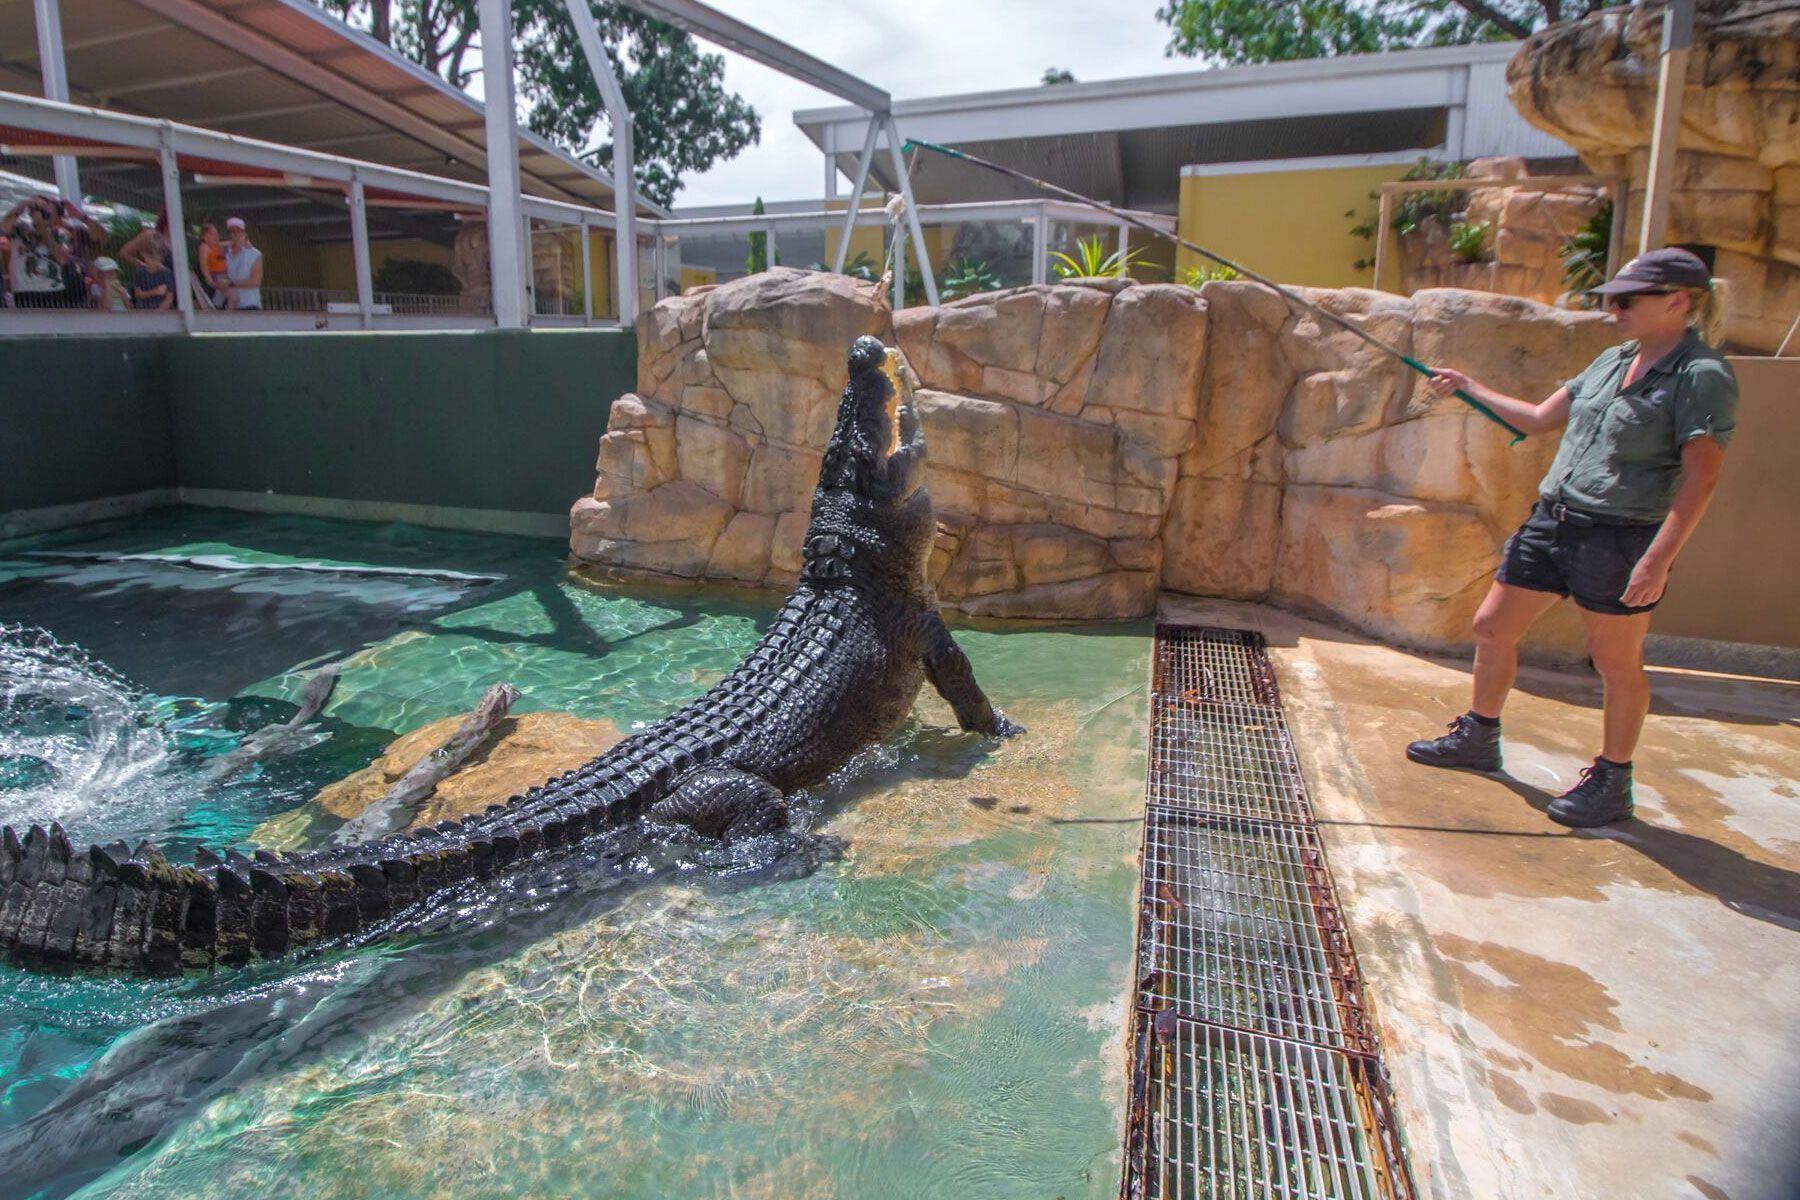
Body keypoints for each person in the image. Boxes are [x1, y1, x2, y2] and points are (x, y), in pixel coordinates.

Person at [1404, 248, 1737, 828]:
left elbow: (1702, 477)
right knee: (1492, 627)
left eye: (1627, 299)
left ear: (1678, 302)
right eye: (1612, 298)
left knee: (1615, 662)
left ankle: (1613, 780)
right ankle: (1480, 738)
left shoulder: (1701, 376)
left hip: (1620, 536)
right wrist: (1467, 387)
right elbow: (1537, 418)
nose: (1614, 308)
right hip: (1554, 520)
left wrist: (1657, 561)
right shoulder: (1612, 359)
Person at [221, 216, 263, 310]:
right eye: (232, 232)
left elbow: (256, 281)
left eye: (238, 231)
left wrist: (231, 283)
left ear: (245, 233)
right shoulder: (224, 253)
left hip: (249, 304)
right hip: (229, 304)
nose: (235, 235)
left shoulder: (254, 254)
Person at [132, 243, 176, 310]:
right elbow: (137, 295)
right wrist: (155, 291)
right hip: (142, 310)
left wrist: (157, 313)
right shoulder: (139, 273)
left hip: (162, 311)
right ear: (144, 255)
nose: (155, 262)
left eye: (158, 259)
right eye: (151, 258)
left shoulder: (166, 273)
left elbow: (169, 298)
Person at [196, 222, 228, 305]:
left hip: (224, 276)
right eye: (211, 234)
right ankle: (217, 306)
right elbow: (204, 266)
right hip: (215, 277)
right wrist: (208, 279)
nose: (216, 236)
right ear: (204, 236)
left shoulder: (217, 245)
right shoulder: (204, 247)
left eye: (216, 234)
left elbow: (229, 243)